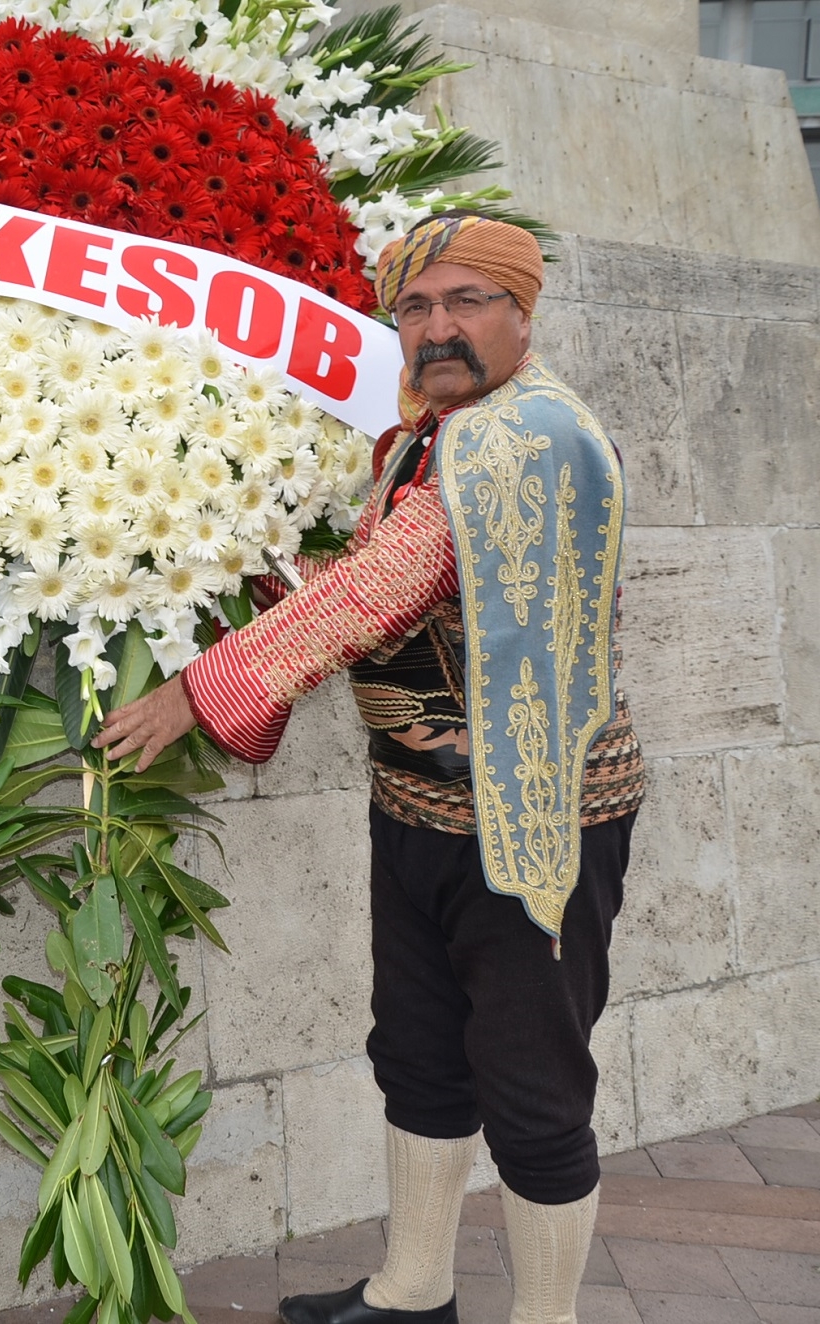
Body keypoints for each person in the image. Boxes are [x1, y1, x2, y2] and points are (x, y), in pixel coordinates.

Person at [96, 213, 644, 1324]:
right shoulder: (428, 436)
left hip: (531, 818)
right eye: (415, 307)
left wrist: (195, 693)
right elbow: (363, 580)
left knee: (533, 1090)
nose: (436, 328)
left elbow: (377, 588)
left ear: (520, 313)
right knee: (417, 1054)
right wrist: (217, 547)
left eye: (465, 302)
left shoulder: (523, 434)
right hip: (417, 806)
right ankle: (412, 1292)